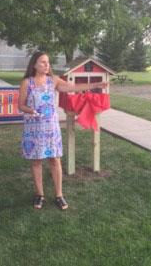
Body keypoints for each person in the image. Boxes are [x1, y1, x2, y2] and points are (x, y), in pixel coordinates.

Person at [18, 51, 107, 210]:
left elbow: (73, 87)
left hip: (51, 128)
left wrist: (94, 85)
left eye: (48, 62)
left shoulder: (54, 81)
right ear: (34, 65)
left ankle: (59, 195)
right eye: (43, 62)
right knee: (36, 161)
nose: (47, 65)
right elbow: (21, 105)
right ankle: (39, 195)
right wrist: (30, 111)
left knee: (55, 160)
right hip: (34, 129)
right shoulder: (27, 83)